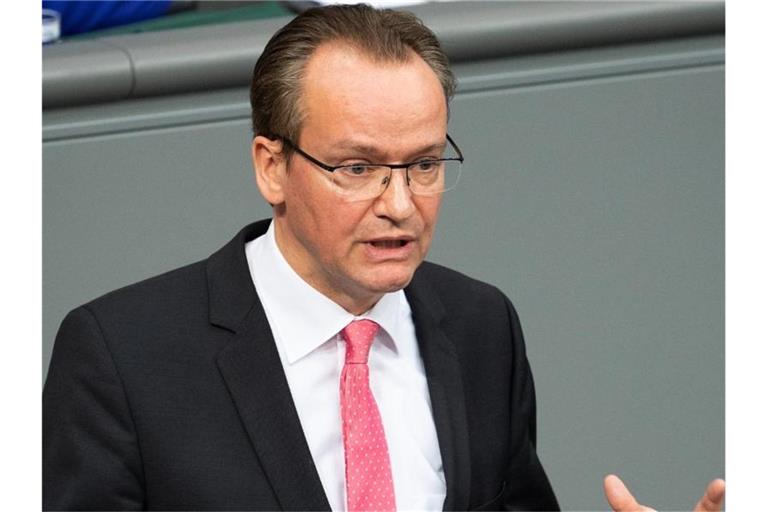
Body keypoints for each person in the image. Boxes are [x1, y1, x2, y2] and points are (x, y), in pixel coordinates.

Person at [43, 4, 724, 511]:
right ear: (272, 167)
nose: (400, 203)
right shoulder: (122, 360)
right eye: (358, 167)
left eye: (424, 163)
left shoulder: (481, 325)